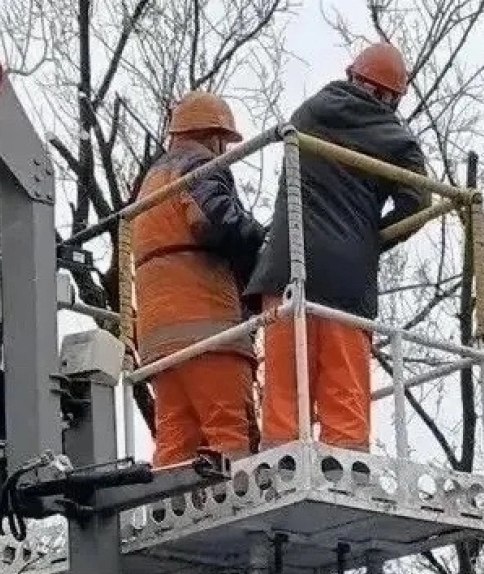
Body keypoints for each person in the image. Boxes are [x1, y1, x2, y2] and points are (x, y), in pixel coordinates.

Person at [245, 41, 431, 451]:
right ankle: (346, 471)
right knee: (344, 389)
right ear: (390, 95)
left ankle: (282, 464)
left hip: (284, 270)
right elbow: (418, 203)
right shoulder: (396, 139)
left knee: (285, 388)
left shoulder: (307, 114)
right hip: (346, 281)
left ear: (352, 75)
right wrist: (370, 241)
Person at [132, 90, 266, 467]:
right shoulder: (199, 164)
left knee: (175, 441)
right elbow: (216, 220)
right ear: (215, 136)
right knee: (231, 433)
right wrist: (263, 241)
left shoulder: (150, 182)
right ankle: (240, 512)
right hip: (208, 328)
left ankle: (167, 514)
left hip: (159, 337)